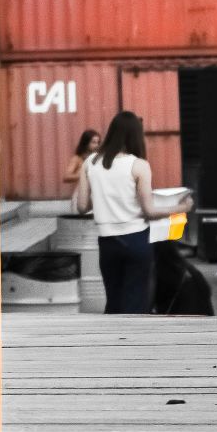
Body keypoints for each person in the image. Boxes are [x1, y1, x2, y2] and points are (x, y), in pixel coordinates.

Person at [72, 110, 193, 315]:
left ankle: (113, 345)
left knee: (114, 301)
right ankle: (132, 345)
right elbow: (150, 211)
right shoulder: (139, 165)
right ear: (135, 136)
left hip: (107, 242)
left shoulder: (90, 163)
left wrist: (105, 196)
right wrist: (183, 208)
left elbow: (82, 206)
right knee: (135, 303)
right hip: (136, 240)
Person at [63, 129, 100, 195]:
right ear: (86, 143)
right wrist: (84, 174)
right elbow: (66, 177)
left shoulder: (99, 158)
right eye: (93, 142)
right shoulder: (77, 159)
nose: (96, 145)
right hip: (82, 194)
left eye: (98, 142)